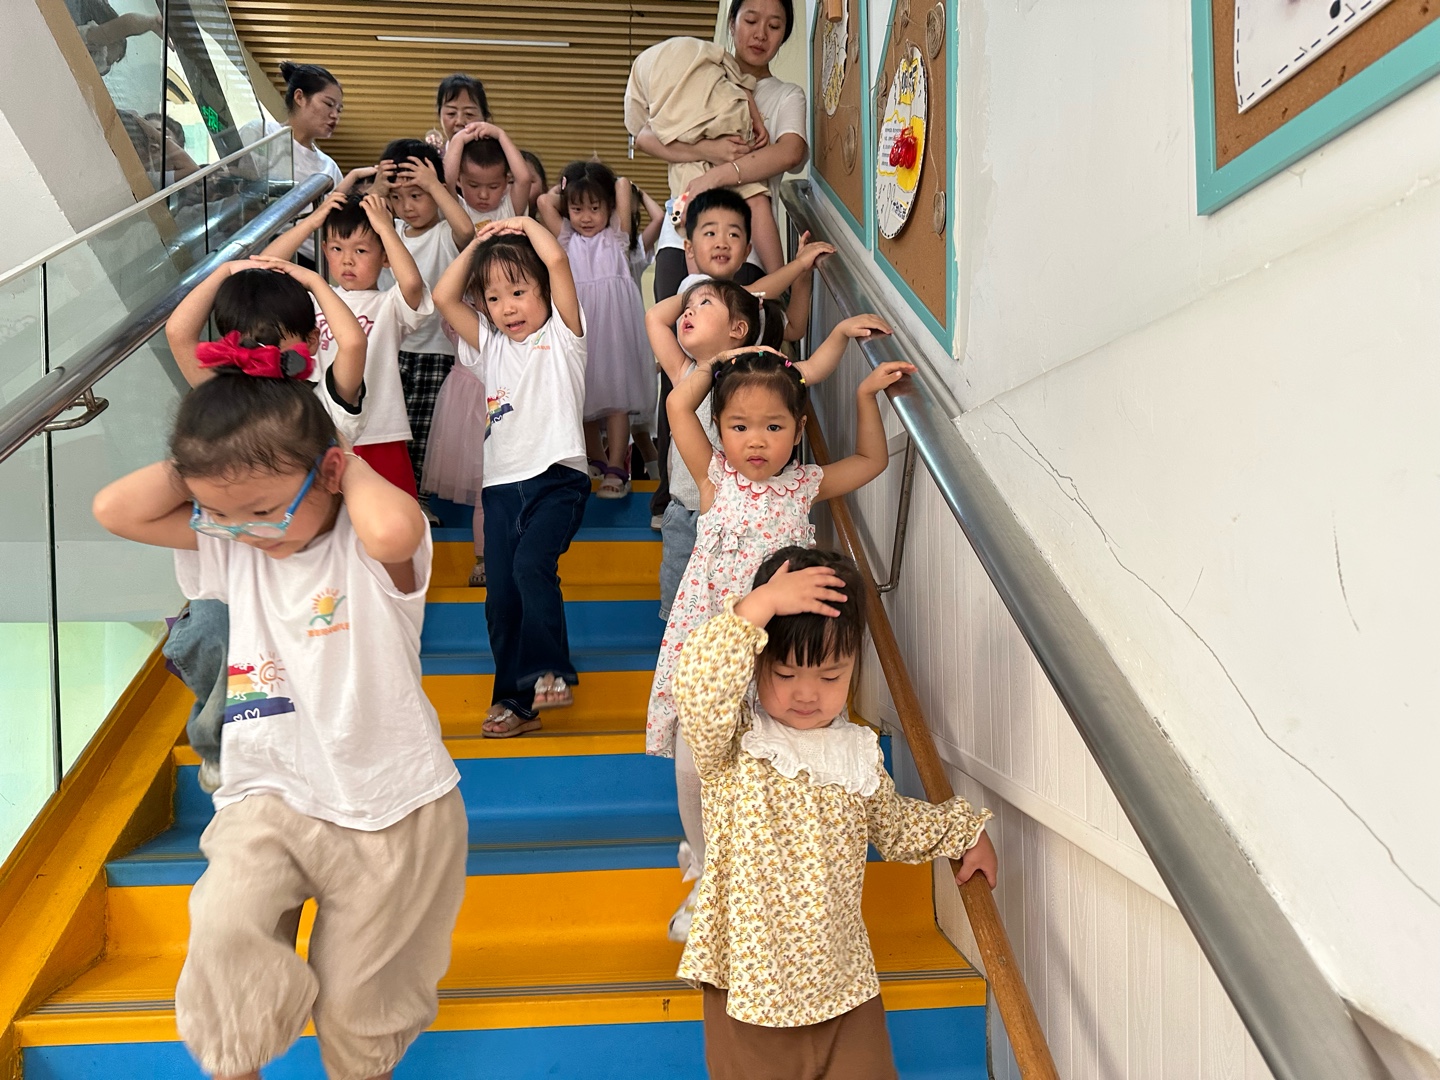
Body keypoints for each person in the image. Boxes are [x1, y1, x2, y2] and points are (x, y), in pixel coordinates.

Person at [91, 354, 466, 1080]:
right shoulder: (234, 546)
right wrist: (211, 465)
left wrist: (344, 461)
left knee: (361, 1004)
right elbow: (116, 510)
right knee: (224, 927)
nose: (249, 532)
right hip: (269, 791)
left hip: (392, 805)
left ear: (328, 473)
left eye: (265, 511)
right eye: (222, 515)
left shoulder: (365, 544)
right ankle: (239, 1066)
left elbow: (395, 531)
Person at [672, 547, 996, 1079]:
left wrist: (964, 833)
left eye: (830, 676)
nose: (807, 694)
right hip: (750, 988)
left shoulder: (855, 752)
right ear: (755, 663)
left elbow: (894, 825)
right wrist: (760, 605)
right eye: (786, 673)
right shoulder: (734, 742)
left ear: (853, 667)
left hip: (842, 982)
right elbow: (698, 688)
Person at [650, 334, 907, 940]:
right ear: (720, 431)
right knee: (693, 766)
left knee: (764, 770)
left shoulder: (803, 487)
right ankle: (706, 870)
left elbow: (870, 462)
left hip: (777, 659)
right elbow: (677, 407)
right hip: (713, 653)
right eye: (739, 427)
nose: (756, 441)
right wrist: (714, 364)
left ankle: (756, 884)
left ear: (798, 429)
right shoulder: (714, 480)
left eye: (773, 426)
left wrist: (866, 397)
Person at [162, 258, 370, 792]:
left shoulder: (323, 402)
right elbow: (179, 333)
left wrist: (313, 280)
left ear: (310, 340)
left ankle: (304, 757)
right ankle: (218, 745)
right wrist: (225, 269)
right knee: (217, 638)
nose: (262, 352)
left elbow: (352, 343)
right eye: (247, 339)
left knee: (296, 674)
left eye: (277, 340)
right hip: (230, 577)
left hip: (307, 574)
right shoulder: (221, 400)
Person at [432, 217, 589, 737]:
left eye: (519, 292)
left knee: (530, 568)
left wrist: (522, 223)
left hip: (557, 481)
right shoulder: (489, 346)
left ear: (544, 290)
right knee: (500, 600)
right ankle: (513, 702)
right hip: (500, 490)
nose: (507, 308)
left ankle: (549, 673)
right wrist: (478, 245)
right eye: (494, 298)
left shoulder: (564, 336)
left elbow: (557, 259)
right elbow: (443, 296)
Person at [262, 190, 437, 498]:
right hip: (317, 429)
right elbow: (264, 268)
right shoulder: (313, 299)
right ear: (324, 250)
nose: (347, 260)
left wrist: (385, 228)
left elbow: (411, 283)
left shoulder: (389, 305)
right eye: (336, 248)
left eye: (361, 250)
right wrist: (312, 222)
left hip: (379, 432)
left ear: (385, 256)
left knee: (389, 513)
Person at [536, 161, 652, 498]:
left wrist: (597, 182)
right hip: (581, 326)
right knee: (583, 396)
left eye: (594, 208)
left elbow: (623, 184)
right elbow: (543, 201)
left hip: (614, 330)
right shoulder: (566, 238)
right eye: (576, 209)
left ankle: (618, 466)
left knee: (617, 397)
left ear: (609, 208)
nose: (585, 217)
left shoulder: (617, 237)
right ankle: (597, 460)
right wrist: (566, 185)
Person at [624, 35, 784, 274]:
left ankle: (699, 286)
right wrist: (757, 121)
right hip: (728, 127)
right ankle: (782, 280)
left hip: (684, 139)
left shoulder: (643, 67)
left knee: (693, 217)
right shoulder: (707, 50)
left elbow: (638, 130)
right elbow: (741, 86)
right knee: (756, 200)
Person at [379, 138, 477, 512]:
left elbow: (467, 231)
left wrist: (437, 185)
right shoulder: (390, 232)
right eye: (397, 197)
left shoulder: (444, 233)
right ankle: (396, 495)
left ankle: (417, 499)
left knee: (423, 429)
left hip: (437, 350)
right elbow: (366, 218)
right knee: (393, 425)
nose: (407, 206)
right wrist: (377, 189)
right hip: (393, 349)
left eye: (417, 195)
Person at [442, 121, 535, 225]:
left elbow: (524, 179)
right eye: (474, 186)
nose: (483, 195)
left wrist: (501, 135)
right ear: (459, 180)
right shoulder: (457, 209)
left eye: (493, 187)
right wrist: (458, 139)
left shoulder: (509, 208)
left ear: (506, 181)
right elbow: (447, 180)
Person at [424, 73, 490, 151]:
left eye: (469, 114)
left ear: (484, 117)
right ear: (440, 115)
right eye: (451, 113)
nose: (460, 122)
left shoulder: (497, 156)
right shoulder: (432, 157)